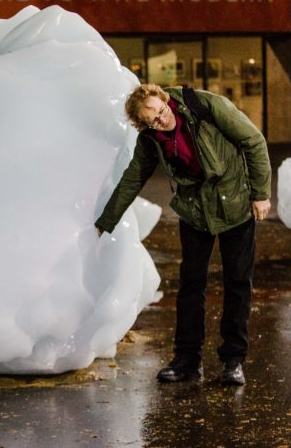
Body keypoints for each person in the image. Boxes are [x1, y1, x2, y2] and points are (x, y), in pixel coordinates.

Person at [95, 83, 271, 386]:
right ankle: (187, 360)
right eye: (152, 120)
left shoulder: (204, 105)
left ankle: (233, 360)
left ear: (164, 100)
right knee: (191, 285)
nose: (161, 120)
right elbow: (133, 178)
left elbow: (253, 141)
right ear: (142, 123)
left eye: (161, 111)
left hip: (234, 205)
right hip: (194, 211)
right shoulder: (150, 139)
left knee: (238, 282)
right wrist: (104, 222)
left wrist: (260, 193)